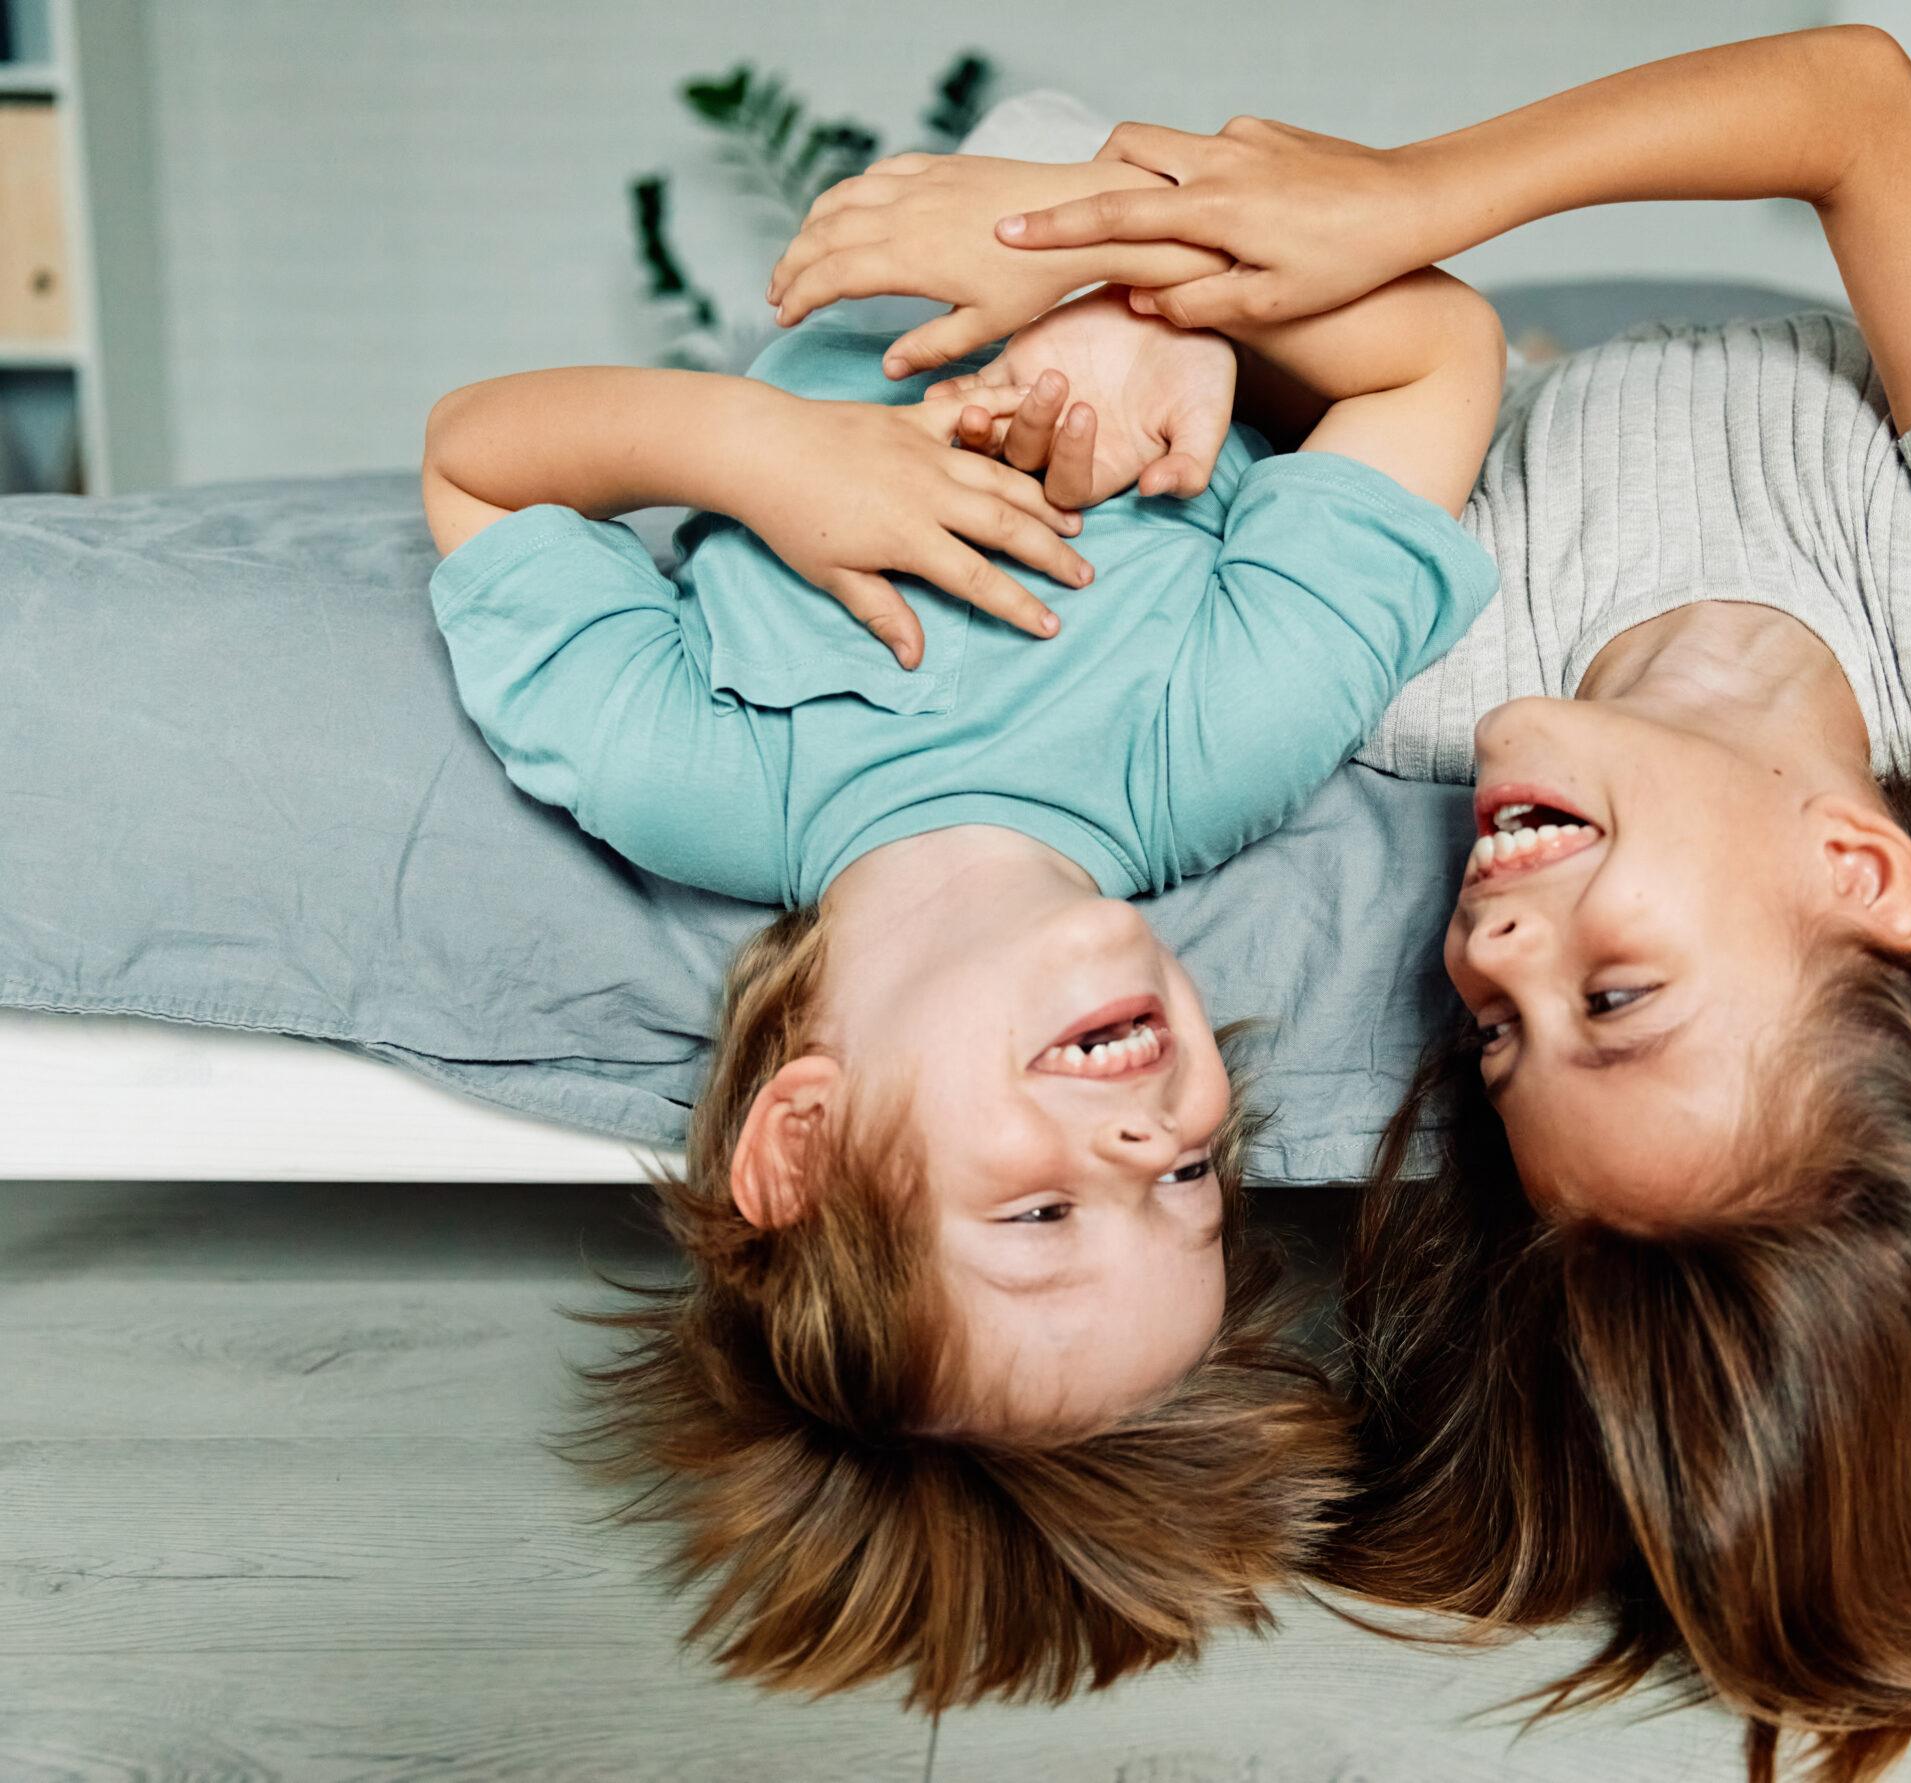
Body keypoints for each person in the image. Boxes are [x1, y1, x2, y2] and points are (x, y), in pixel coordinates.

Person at [770, 26, 1911, 1777]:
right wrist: (1413, 197)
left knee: (1075, 239)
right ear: (1861, 872)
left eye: (1497, 1036)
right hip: (1488, 266)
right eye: (1611, 1002)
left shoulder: (1414, 673)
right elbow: (1855, 107)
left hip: (1466, 359)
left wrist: (1174, 296)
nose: (1492, 947)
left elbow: (1264, 300)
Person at [420, 178, 1504, 1704]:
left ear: (799, 1146)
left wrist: (756, 449)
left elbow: (474, 462)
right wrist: (1151, 290)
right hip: (1144, 199)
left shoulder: (692, 774)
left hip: (870, 255)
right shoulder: (1213, 746)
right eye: (1192, 1183)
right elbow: (1437, 358)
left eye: (1044, 1219)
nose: (1145, 1136)